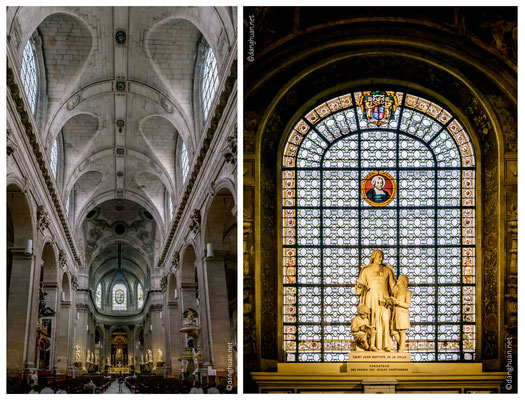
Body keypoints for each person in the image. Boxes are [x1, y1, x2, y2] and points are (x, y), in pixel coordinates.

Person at [355, 249, 396, 351]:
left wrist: (402, 288)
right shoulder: (366, 271)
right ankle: (371, 345)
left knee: (386, 319)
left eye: (382, 257)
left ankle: (386, 345)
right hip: (370, 299)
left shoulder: (388, 271)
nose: (381, 259)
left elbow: (394, 288)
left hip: (385, 299)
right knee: (371, 321)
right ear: (373, 257)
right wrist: (360, 286)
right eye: (379, 257)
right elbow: (359, 289)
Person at [390, 275, 412, 352]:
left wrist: (398, 302)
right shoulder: (396, 291)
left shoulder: (407, 292)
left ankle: (402, 348)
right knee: (394, 331)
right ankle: (402, 345)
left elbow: (408, 305)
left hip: (402, 314)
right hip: (395, 313)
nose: (397, 280)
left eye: (399, 279)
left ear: (403, 281)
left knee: (402, 331)